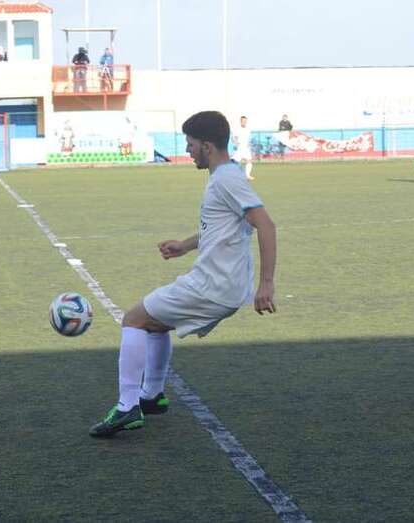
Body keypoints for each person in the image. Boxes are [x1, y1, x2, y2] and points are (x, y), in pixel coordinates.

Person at [89, 110, 277, 437]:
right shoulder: (226, 175)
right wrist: (185, 246)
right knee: (156, 323)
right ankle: (151, 396)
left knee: (133, 319)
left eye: (190, 144)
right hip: (221, 284)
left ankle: (127, 406)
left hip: (213, 285)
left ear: (207, 146)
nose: (188, 150)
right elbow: (223, 227)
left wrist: (267, 284)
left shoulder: (227, 178)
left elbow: (266, 224)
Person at [232, 115, 254, 180]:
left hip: (246, 148)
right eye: (243, 121)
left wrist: (249, 144)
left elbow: (248, 138)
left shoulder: (248, 129)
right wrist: (236, 143)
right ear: (240, 121)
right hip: (240, 147)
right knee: (235, 161)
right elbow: (234, 138)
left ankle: (247, 175)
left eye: (245, 121)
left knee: (249, 161)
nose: (244, 122)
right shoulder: (237, 129)